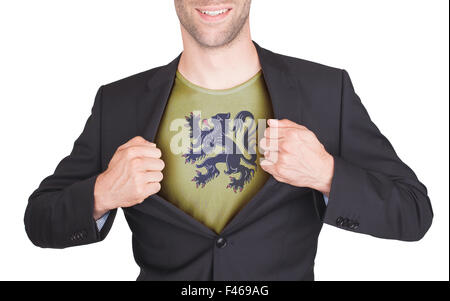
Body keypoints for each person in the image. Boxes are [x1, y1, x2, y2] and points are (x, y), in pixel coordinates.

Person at [24, 0, 433, 281]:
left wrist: (326, 173)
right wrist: (102, 193)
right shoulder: (118, 103)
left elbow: (414, 212)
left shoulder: (326, 92)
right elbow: (39, 220)